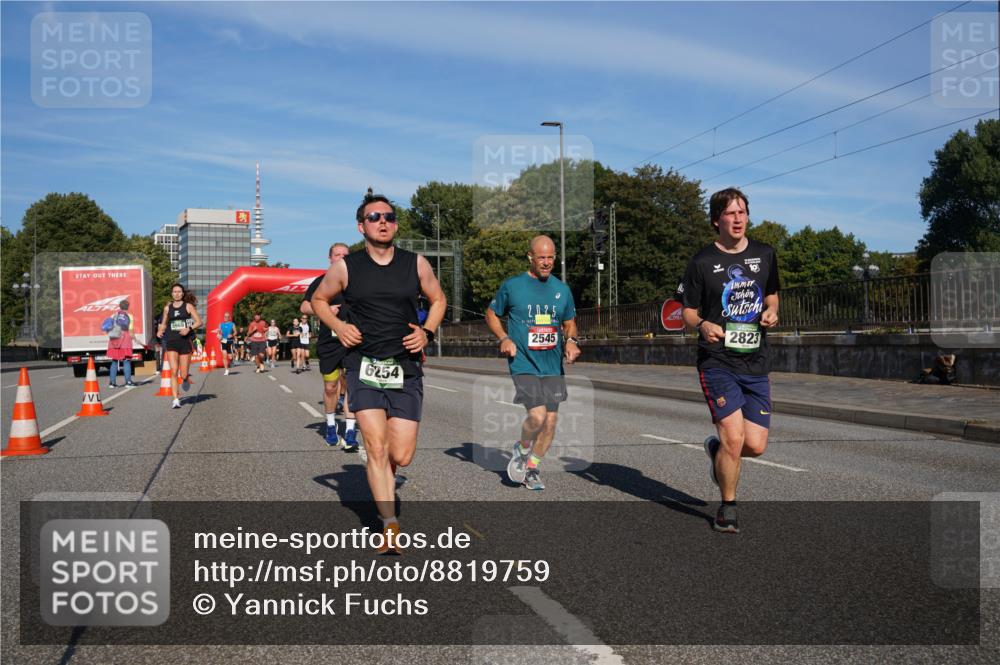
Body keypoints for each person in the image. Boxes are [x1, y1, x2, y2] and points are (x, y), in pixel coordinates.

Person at [311, 189, 446, 554]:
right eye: (374, 217)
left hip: (405, 365)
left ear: (395, 225)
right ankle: (389, 525)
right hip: (364, 364)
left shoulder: (415, 264)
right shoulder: (347, 267)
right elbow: (318, 300)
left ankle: (384, 474)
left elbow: (438, 299)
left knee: (400, 455)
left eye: (388, 217)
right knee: (374, 445)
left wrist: (427, 331)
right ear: (362, 226)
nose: (382, 222)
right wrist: (339, 327)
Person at [680, 187, 780, 534]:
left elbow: (772, 294)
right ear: (716, 220)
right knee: (734, 439)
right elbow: (687, 311)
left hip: (755, 359)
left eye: (742, 212)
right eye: (730, 213)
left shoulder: (765, 254)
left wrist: (772, 311)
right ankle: (728, 507)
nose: (738, 219)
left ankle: (718, 452)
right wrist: (703, 324)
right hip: (717, 360)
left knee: (755, 445)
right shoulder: (702, 261)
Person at [485, 235, 580, 491]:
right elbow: (491, 313)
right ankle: (523, 447)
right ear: (530, 257)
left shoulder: (562, 290)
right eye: (541, 257)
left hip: (552, 365)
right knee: (537, 417)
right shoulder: (513, 286)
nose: (546, 262)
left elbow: (569, 322)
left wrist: (571, 341)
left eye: (551, 257)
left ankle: (531, 468)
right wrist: (504, 338)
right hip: (523, 363)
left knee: (550, 422)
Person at [302, 242, 358, 449]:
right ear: (330, 258)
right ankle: (331, 425)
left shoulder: (358, 281)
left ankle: (351, 431)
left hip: (354, 341)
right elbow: (304, 306)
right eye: (337, 254)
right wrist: (323, 310)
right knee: (330, 386)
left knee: (352, 385)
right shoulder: (322, 281)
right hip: (330, 342)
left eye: (345, 254)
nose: (341, 257)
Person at [156, 283, 203, 409]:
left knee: (183, 374)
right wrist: (160, 330)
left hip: (184, 342)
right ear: (172, 294)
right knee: (173, 370)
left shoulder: (188, 306)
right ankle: (175, 399)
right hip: (171, 341)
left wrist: (188, 329)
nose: (176, 294)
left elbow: (199, 322)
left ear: (182, 294)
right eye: (174, 292)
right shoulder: (167, 308)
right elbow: (164, 323)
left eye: (179, 292)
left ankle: (185, 379)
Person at [106, 299, 136, 388]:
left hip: (114, 339)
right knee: (126, 360)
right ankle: (128, 382)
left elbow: (108, 327)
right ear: (128, 307)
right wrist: (134, 338)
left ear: (119, 306)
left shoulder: (113, 315)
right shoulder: (129, 316)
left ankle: (112, 383)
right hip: (125, 340)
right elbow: (130, 330)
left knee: (114, 360)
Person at [217, 311, 235, 376]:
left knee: (230, 357)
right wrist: (218, 335)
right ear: (223, 317)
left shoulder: (232, 324)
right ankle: (226, 370)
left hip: (230, 341)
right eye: (225, 316)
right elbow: (218, 331)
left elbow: (235, 332)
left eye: (227, 317)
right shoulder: (221, 324)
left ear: (229, 318)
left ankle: (232, 360)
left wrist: (232, 335)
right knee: (224, 356)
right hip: (223, 341)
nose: (226, 318)